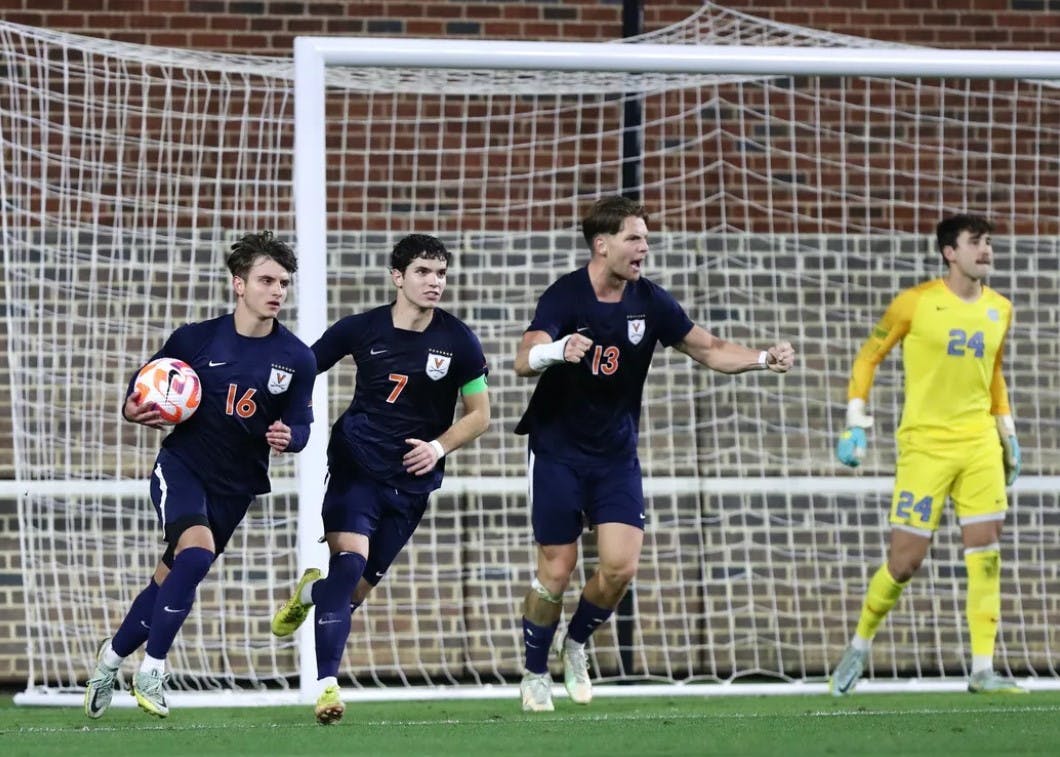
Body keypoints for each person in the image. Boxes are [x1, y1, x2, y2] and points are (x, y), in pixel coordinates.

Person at [512, 195, 796, 712]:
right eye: (634, 238)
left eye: (645, 237)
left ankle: (575, 643)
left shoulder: (651, 301)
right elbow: (521, 359)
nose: (645, 247)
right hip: (556, 451)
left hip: (616, 456)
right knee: (557, 570)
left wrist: (760, 357)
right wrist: (556, 351)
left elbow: (707, 348)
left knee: (619, 568)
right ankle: (534, 674)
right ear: (602, 245)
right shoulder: (565, 296)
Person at [83, 230, 316, 719]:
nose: (277, 291)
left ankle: (109, 660)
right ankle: (153, 669)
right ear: (239, 284)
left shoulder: (297, 358)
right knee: (197, 551)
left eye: (284, 283)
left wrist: (287, 437)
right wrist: (132, 408)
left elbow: (302, 426)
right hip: (182, 467)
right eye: (266, 280)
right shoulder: (194, 338)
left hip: (237, 486)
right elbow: (141, 390)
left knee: (170, 579)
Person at [270, 233, 490, 725]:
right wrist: (285, 414)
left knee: (351, 593)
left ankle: (310, 593)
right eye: (423, 272)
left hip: (411, 482)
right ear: (398, 277)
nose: (435, 282)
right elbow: (305, 366)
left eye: (441, 274)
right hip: (356, 464)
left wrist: (437, 448)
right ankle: (327, 687)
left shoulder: (458, 341)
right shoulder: (361, 329)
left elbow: (480, 415)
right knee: (348, 565)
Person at [830, 214, 1025, 696]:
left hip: (979, 444)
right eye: (976, 243)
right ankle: (859, 644)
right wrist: (856, 421)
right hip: (925, 447)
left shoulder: (1000, 308)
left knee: (985, 549)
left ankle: (983, 669)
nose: (986, 251)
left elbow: (994, 372)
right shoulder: (914, 304)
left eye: (989, 243)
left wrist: (1007, 429)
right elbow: (867, 357)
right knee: (905, 562)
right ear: (949, 252)